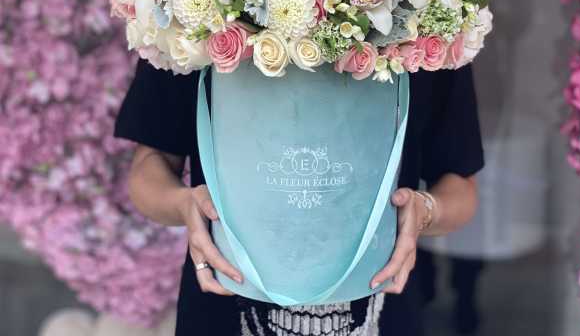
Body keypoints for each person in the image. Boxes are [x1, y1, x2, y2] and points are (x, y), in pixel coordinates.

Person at [115, 59, 484, 335]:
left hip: (383, 310)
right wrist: (182, 203)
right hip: (222, 310)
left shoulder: (426, 20)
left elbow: (460, 186)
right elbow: (150, 164)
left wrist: (426, 210)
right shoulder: (195, 7)